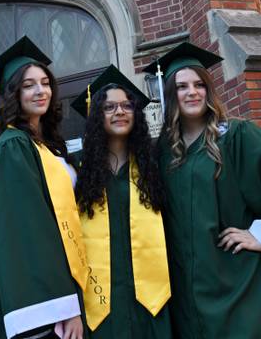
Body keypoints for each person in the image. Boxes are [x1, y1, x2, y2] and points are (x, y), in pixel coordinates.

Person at [143, 41, 261, 339]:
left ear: (209, 90)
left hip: (236, 280)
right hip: (185, 289)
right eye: (182, 87)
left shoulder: (236, 136)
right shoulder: (163, 153)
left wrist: (260, 236)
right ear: (171, 94)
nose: (192, 92)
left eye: (199, 84)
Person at [0, 36, 88, 339]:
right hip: (41, 297)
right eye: (28, 85)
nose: (41, 91)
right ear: (14, 94)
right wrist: (66, 308)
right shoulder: (14, 146)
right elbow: (31, 231)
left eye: (45, 82)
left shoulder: (48, 147)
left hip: (62, 284)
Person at [71, 65, 172, 339]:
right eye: (109, 107)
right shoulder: (79, 171)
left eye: (127, 106)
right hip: (101, 300)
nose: (119, 112)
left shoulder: (153, 166)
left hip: (150, 299)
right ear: (97, 116)